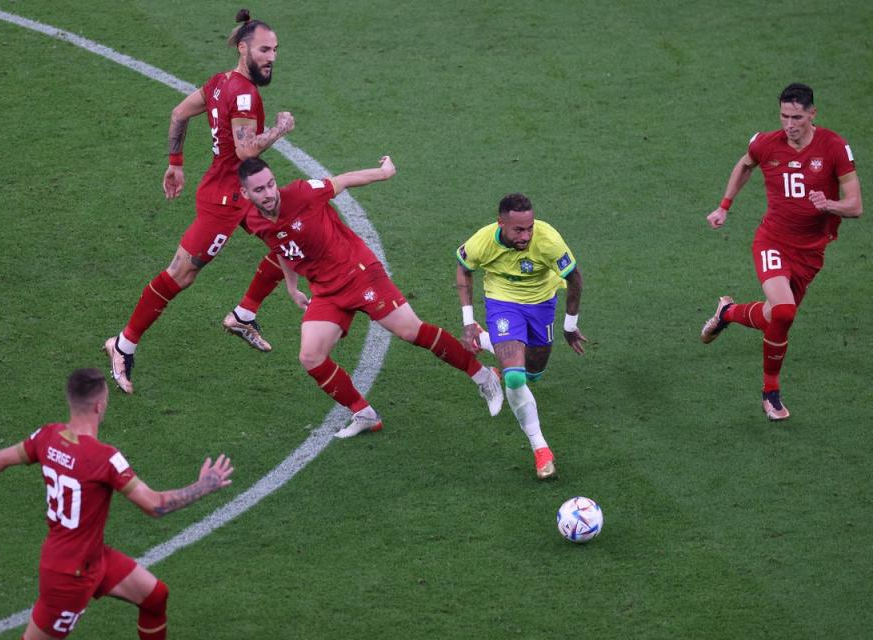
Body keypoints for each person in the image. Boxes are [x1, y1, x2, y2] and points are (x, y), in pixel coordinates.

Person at [0, 369, 234, 639]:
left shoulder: (47, 436)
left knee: (155, 597)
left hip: (92, 558)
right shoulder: (104, 457)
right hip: (67, 578)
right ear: (100, 405)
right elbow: (154, 505)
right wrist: (204, 485)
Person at [237, 155, 505, 437]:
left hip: (359, 272)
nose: (268, 194)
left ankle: (484, 376)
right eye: (259, 190)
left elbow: (343, 180)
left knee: (411, 331)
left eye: (270, 185)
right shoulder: (254, 220)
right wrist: (292, 287)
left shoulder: (302, 193)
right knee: (310, 356)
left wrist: (384, 172)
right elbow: (281, 247)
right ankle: (363, 413)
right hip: (325, 289)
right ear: (246, 193)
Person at [104, 8, 295, 393]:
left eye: (274, 50)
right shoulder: (242, 95)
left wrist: (175, 163)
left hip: (243, 193)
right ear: (243, 49)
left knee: (290, 239)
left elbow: (179, 113)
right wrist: (279, 129)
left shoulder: (220, 82)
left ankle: (243, 315)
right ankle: (122, 345)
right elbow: (245, 151)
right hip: (224, 201)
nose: (271, 57)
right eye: (263, 50)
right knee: (181, 274)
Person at [702, 83, 862, 421]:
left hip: (811, 252)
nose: (790, 124)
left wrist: (830, 204)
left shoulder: (834, 147)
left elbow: (856, 205)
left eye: (797, 117)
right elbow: (744, 165)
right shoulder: (766, 143)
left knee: (776, 316)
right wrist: (724, 207)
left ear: (812, 114)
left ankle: (727, 313)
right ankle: (770, 393)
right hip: (772, 240)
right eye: (784, 116)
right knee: (785, 312)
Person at [455, 193, 586, 480]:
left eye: (529, 228)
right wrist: (467, 320)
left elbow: (575, 278)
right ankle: (541, 451)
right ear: (501, 223)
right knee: (515, 376)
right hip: (503, 302)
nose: (526, 235)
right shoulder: (482, 241)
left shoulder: (548, 239)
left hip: (542, 303)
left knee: (533, 374)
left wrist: (569, 325)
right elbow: (464, 271)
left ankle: (485, 339)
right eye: (518, 230)